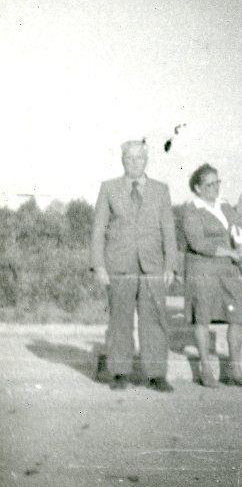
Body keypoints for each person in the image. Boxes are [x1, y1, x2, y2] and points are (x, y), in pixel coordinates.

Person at [91, 139, 178, 392]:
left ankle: (156, 374)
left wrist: (171, 265)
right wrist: (98, 266)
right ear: (122, 160)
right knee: (120, 319)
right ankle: (119, 372)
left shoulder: (161, 190)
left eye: (139, 158)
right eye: (129, 158)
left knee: (154, 319)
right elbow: (98, 230)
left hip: (153, 266)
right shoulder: (109, 189)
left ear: (146, 160)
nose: (134, 162)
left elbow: (169, 232)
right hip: (119, 265)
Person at [182, 163, 242, 388]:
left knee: (236, 318)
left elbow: (239, 231)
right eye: (209, 184)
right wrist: (230, 252)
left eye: (217, 182)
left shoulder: (226, 207)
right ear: (198, 188)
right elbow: (198, 242)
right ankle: (205, 368)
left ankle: (235, 369)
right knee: (202, 318)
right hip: (202, 271)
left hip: (228, 271)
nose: (215, 188)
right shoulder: (192, 209)